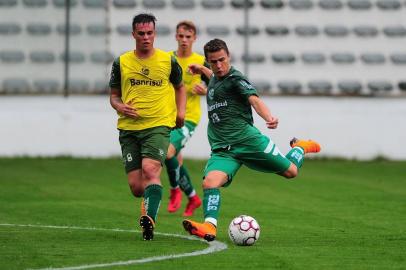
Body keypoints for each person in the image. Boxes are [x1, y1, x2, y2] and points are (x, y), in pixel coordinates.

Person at [182, 39, 321, 242]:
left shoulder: (236, 78)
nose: (219, 66)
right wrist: (202, 69)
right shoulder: (214, 76)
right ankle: (209, 227)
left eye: (222, 60)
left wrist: (269, 118)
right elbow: (213, 77)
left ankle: (300, 147)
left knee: (291, 171)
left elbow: (254, 100)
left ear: (228, 56)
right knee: (210, 182)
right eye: (213, 62)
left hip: (248, 142)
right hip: (223, 150)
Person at [109, 13, 186, 241]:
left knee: (151, 171)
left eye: (149, 33)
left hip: (158, 125)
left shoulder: (167, 60)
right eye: (141, 33)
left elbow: (180, 87)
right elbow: (114, 96)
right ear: (133, 34)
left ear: (155, 34)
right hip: (129, 129)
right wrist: (120, 107)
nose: (145, 37)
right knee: (136, 187)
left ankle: (149, 222)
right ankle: (148, 202)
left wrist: (180, 112)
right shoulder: (121, 62)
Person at [165, 20, 210, 217]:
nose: (184, 40)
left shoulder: (201, 62)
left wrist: (206, 90)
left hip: (189, 118)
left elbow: (217, 87)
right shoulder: (166, 59)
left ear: (194, 39)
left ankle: (174, 191)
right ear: (176, 37)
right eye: (181, 36)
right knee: (175, 160)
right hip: (166, 117)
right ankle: (192, 198)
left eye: (188, 37)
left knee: (166, 153)